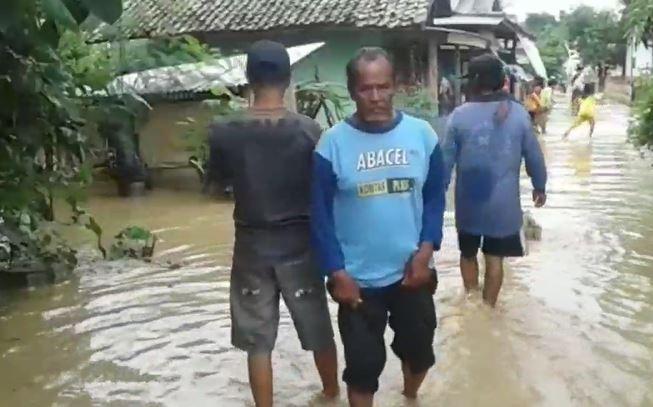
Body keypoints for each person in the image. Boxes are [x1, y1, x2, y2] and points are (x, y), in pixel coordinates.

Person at [206, 40, 339, 407]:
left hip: (251, 245)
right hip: (300, 244)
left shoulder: (223, 131)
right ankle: (331, 396)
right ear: (288, 78)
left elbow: (217, 186)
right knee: (318, 329)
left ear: (248, 77)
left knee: (258, 341)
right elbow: (325, 193)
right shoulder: (310, 131)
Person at [311, 47, 446, 407]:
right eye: (366, 89)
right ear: (352, 91)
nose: (376, 97)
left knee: (419, 356)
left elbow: (435, 198)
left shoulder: (423, 136)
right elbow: (319, 215)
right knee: (362, 372)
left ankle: (409, 396)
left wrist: (427, 249)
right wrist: (336, 272)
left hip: (412, 274)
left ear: (395, 86)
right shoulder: (331, 145)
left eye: (383, 87)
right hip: (357, 283)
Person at [443, 54, 548, 307]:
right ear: (501, 80)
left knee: (467, 254)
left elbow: (443, 164)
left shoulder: (458, 116)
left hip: (469, 204)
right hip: (503, 206)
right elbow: (534, 155)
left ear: (474, 83)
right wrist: (539, 186)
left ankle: (471, 302)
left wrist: (435, 196)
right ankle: (488, 310)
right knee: (494, 259)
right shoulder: (519, 114)